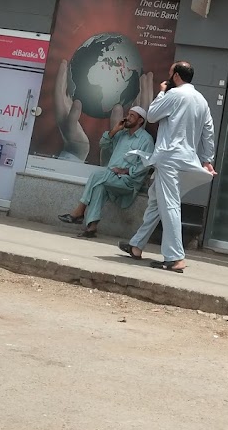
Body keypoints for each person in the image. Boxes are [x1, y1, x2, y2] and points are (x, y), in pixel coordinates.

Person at [119, 61, 215, 273]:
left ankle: (175, 258)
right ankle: (136, 245)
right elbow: (208, 130)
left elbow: (152, 115)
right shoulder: (201, 100)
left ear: (177, 76)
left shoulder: (173, 94)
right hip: (186, 159)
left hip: (169, 158)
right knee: (156, 201)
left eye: (170, 73)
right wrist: (207, 159)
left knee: (169, 205)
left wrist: (162, 92)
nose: (168, 77)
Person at [58, 106, 153, 238]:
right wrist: (114, 130)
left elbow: (146, 165)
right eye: (128, 114)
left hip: (128, 182)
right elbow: (103, 144)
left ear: (140, 120)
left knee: (96, 175)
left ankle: (79, 211)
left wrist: (125, 171)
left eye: (132, 116)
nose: (127, 117)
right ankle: (91, 228)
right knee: (99, 187)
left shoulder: (146, 140)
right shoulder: (121, 135)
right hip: (111, 177)